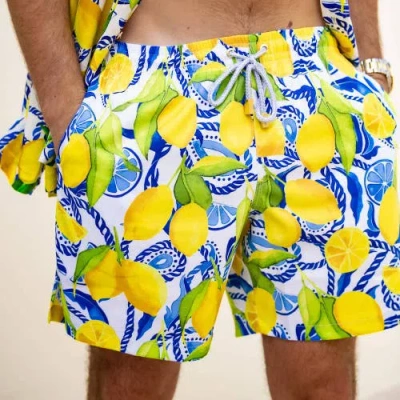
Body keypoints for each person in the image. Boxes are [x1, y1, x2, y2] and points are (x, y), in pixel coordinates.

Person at [1, 0, 398, 399]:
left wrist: (371, 69)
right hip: (157, 84)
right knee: (131, 386)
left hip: (313, 76)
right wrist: (63, 109)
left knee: (322, 386)